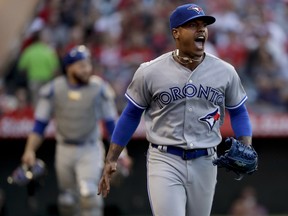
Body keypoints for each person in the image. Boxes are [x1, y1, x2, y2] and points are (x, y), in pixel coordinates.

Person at [98, 3, 253, 216]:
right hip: (165, 159)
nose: (201, 30)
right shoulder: (150, 71)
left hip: (206, 161)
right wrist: (112, 157)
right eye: (193, 25)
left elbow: (239, 111)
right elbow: (131, 114)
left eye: (203, 25)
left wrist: (247, 145)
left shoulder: (225, 71)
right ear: (176, 33)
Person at [21, 45, 131, 216]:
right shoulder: (54, 89)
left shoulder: (99, 88)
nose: (86, 69)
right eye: (81, 65)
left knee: (89, 195)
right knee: (67, 201)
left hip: (90, 148)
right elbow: (39, 125)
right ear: (68, 67)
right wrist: (29, 150)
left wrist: (121, 155)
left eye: (88, 64)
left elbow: (111, 126)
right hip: (64, 149)